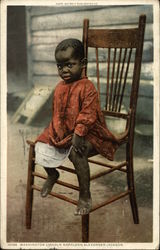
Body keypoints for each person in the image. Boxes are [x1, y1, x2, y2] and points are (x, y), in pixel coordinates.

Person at [35, 38, 118, 215]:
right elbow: (57, 114)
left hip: (90, 132)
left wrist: (78, 133)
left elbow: (88, 115)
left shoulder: (87, 87)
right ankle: (52, 174)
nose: (64, 70)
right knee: (40, 143)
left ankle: (85, 195)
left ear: (83, 64)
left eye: (69, 65)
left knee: (76, 152)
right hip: (65, 130)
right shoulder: (59, 88)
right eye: (60, 66)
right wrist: (55, 133)